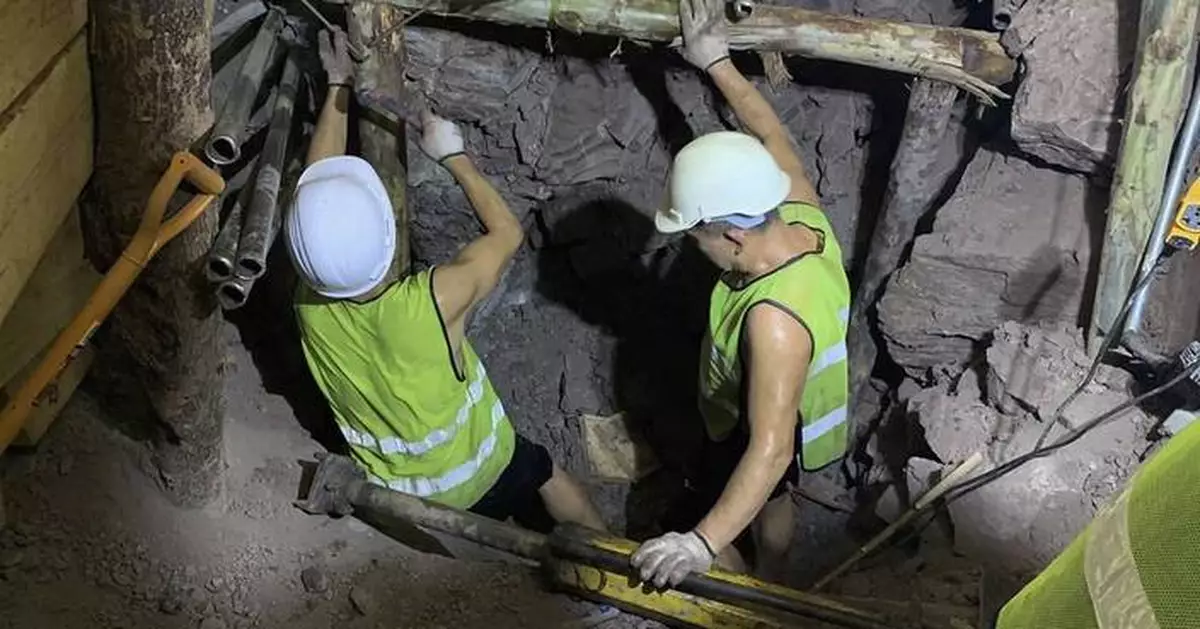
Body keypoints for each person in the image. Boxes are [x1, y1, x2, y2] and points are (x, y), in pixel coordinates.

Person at [287, 29, 606, 534]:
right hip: (487, 469)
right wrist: (452, 154)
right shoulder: (434, 300)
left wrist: (337, 85)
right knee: (546, 472)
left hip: (401, 499)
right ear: (387, 234)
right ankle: (605, 554)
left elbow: (317, 194)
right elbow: (507, 232)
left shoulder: (308, 307)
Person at [630, 0, 851, 588]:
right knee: (777, 496)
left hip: (759, 422)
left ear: (731, 234)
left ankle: (748, 592)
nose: (688, 246)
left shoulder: (773, 321)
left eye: (693, 234)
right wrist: (716, 62)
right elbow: (769, 131)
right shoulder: (800, 211)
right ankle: (776, 569)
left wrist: (699, 542)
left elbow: (771, 449)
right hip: (799, 405)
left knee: (747, 483)